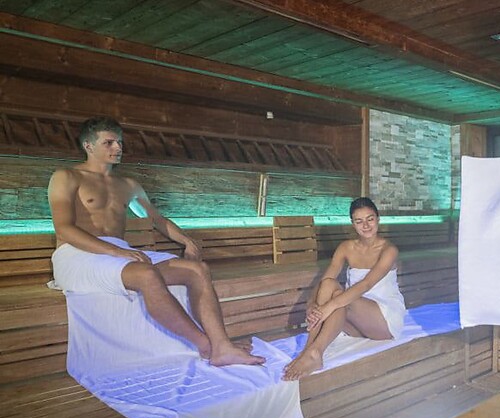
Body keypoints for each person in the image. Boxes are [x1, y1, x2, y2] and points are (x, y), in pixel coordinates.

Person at [47, 116, 264, 366]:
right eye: (109, 143)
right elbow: (64, 229)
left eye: (119, 142)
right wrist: (117, 252)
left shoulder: (127, 184)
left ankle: (223, 346)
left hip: (117, 253)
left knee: (197, 270)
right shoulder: (67, 177)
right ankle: (206, 345)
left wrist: (187, 241)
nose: (118, 148)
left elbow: (157, 219)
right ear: (88, 146)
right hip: (75, 255)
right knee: (147, 274)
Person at [283, 197, 406, 380]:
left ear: (378, 219)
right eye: (359, 221)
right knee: (328, 285)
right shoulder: (346, 247)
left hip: (383, 320)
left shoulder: (389, 250)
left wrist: (328, 307)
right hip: (354, 321)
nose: (366, 225)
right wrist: (311, 305)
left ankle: (315, 353)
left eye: (370, 219)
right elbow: (326, 279)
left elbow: (366, 284)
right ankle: (309, 350)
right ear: (353, 224)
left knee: (341, 299)